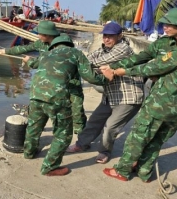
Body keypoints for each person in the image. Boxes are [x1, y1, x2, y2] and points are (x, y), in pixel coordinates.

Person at [102, 7, 177, 195]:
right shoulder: (168, 45)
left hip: (166, 103)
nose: (166, 28)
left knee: (140, 135)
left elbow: (151, 67)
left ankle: (122, 170)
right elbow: (142, 58)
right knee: (158, 138)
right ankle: (145, 170)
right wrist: (116, 66)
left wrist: (119, 71)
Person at [22, 34, 111, 176]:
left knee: (34, 126)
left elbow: (33, 63)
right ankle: (50, 167)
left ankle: (29, 152)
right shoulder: (76, 53)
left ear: (54, 45)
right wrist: (106, 78)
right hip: (56, 98)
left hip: (35, 96)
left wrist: (27, 60)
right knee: (63, 134)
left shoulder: (46, 54)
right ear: (69, 44)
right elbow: (90, 77)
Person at [66, 21, 144, 164]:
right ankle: (81, 144)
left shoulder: (123, 49)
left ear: (120, 36)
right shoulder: (103, 49)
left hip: (128, 97)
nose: (106, 39)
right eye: (105, 36)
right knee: (94, 121)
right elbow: (87, 60)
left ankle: (104, 151)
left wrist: (94, 66)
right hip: (111, 95)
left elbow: (95, 63)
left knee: (110, 127)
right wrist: (95, 66)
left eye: (110, 36)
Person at [0, 20, 87, 134]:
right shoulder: (40, 43)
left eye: (40, 33)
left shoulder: (63, 42)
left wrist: (31, 62)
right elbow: (24, 49)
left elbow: (50, 63)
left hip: (70, 81)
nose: (37, 36)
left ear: (47, 34)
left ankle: (80, 137)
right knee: (47, 108)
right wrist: (4, 51)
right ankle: (49, 131)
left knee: (77, 109)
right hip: (51, 82)